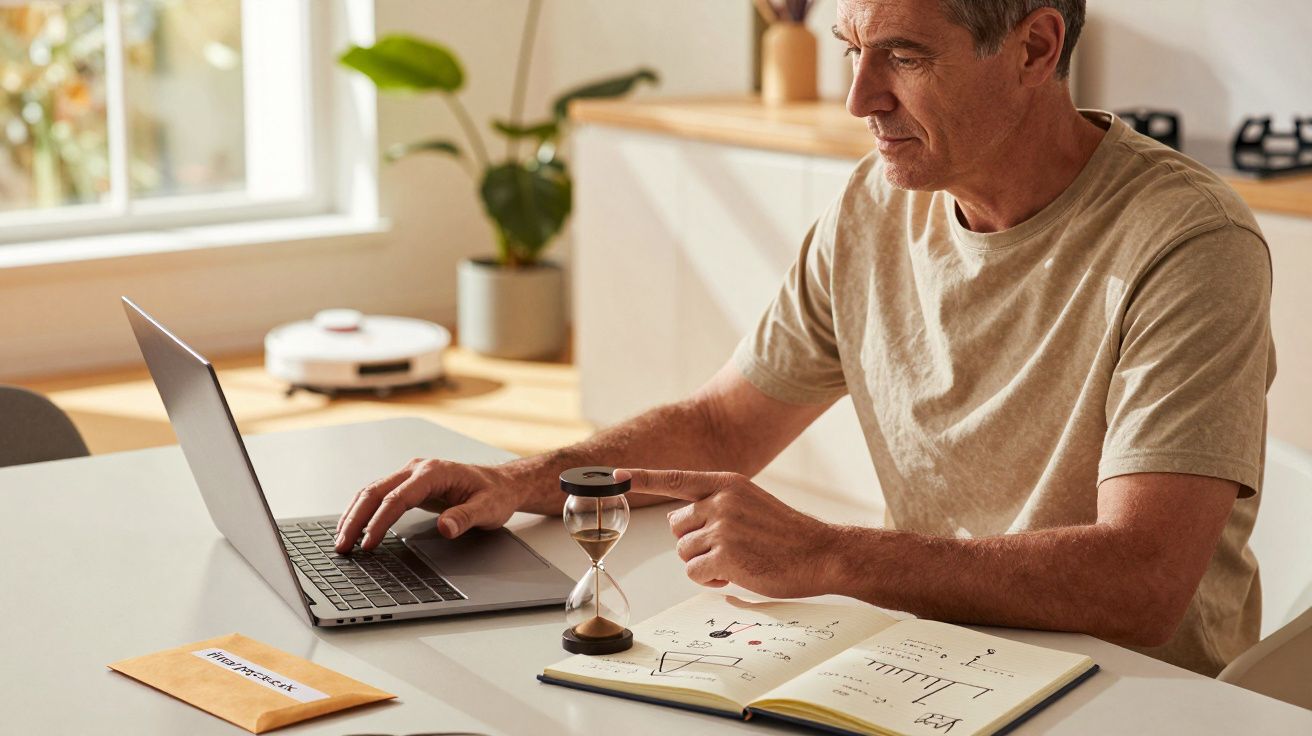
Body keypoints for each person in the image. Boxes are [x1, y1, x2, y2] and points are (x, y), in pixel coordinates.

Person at [335, 0, 1274, 677]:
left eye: (903, 55)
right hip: (943, 662)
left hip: (1143, 696)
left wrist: (829, 555)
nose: (860, 97)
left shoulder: (1188, 244)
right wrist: (525, 479)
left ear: (1034, 47)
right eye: (851, 47)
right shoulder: (876, 205)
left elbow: (1141, 584)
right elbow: (719, 427)